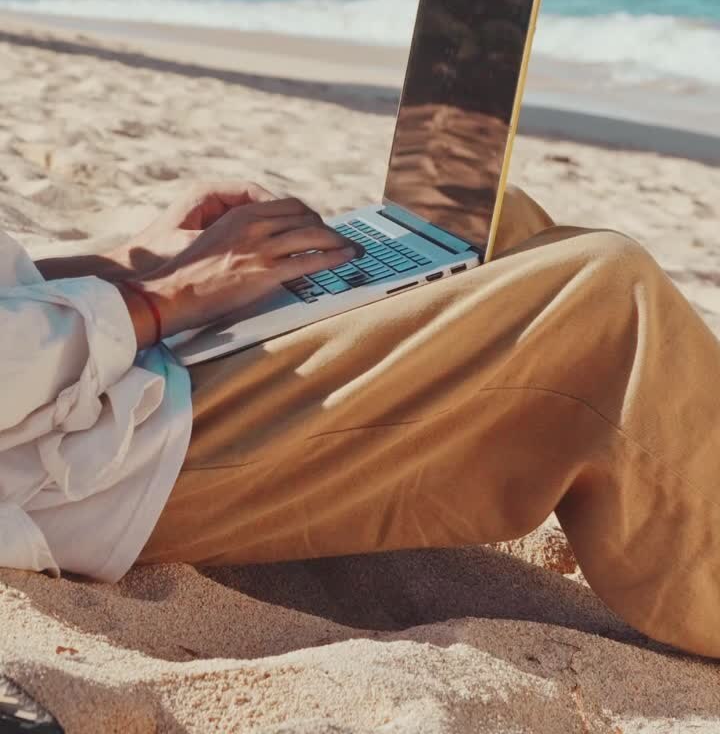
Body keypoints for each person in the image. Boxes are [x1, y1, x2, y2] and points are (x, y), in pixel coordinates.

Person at [1, 178, 718, 658]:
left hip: (79, 368)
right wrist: (164, 296)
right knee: (603, 293)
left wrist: (123, 261)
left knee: (491, 230)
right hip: (83, 448)